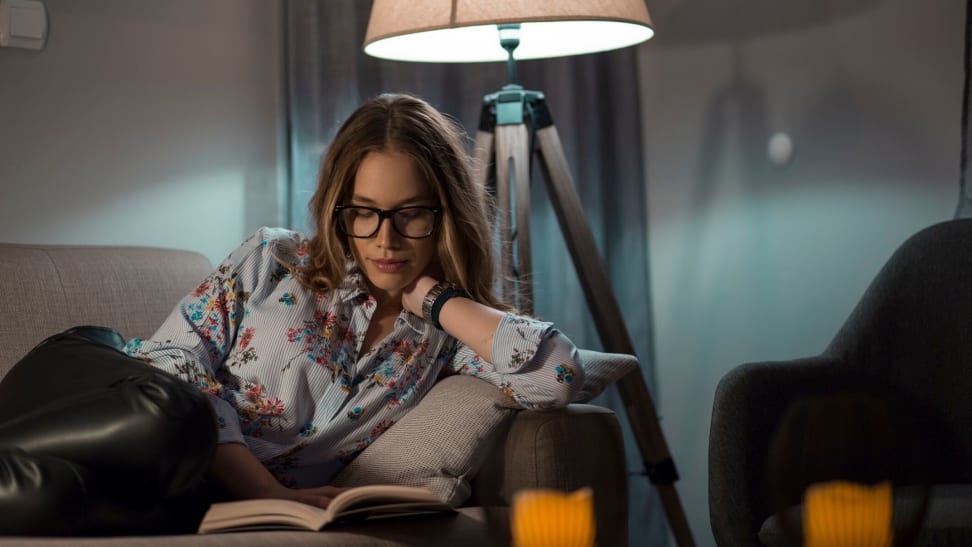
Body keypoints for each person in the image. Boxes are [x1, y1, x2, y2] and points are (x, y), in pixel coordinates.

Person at [0, 93, 586, 535]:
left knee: (56, 504)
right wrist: (260, 489)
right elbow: (173, 360)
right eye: (365, 212)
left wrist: (436, 300)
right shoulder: (274, 260)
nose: (386, 239)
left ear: (447, 216)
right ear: (340, 210)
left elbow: (558, 375)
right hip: (86, 383)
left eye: (412, 214)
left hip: (168, 485)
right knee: (177, 418)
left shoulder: (445, 343)